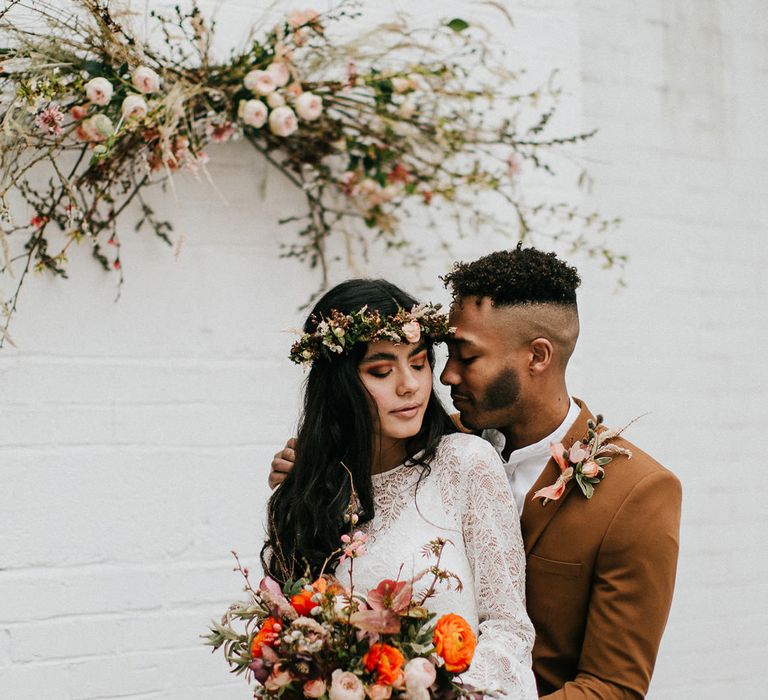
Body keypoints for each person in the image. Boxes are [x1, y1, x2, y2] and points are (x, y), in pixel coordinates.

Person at [271, 247, 682, 699]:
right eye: (442, 355)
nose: (444, 376)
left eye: (466, 357)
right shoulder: (436, 443)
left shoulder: (638, 493)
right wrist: (315, 470)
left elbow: (612, 687)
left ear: (537, 356)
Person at [263, 278, 537, 698]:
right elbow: (291, 648)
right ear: (340, 385)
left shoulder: (464, 464)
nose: (409, 385)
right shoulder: (309, 494)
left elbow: (508, 627)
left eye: (419, 362)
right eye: (381, 370)